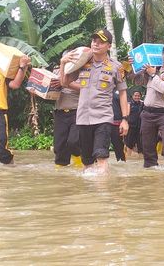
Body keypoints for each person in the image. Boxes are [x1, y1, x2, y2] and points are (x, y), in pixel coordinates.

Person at [61, 29, 129, 173]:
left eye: (100, 42)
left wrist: (124, 119)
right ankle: (91, 194)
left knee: (101, 155)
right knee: (87, 162)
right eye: (94, 41)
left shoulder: (116, 67)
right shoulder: (82, 63)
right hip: (83, 118)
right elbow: (65, 82)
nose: (96, 44)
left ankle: (103, 193)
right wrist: (63, 64)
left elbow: (123, 93)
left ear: (108, 46)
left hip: (103, 117)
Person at [129, 44, 164, 168]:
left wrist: (153, 75)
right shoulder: (153, 68)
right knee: (147, 145)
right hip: (147, 113)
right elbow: (136, 80)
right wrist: (133, 66)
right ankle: (150, 171)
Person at [51, 52, 81, 167]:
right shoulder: (56, 71)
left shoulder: (81, 71)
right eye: (66, 58)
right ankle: (61, 171)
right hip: (60, 112)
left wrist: (65, 83)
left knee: (73, 141)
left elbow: (84, 88)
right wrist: (36, 89)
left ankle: (80, 161)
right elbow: (48, 90)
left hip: (77, 111)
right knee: (59, 145)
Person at [125, 90, 143, 157]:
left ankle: (141, 160)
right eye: (135, 95)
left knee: (141, 145)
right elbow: (126, 115)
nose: (137, 97)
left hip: (140, 127)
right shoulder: (129, 104)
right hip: (131, 127)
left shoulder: (142, 104)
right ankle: (128, 159)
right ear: (132, 96)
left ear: (140, 96)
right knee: (129, 144)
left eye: (138, 96)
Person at [110, 90, 127, 162]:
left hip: (117, 123)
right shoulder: (101, 89)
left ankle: (121, 162)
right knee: (100, 144)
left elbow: (127, 105)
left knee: (118, 145)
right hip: (102, 122)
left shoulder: (121, 91)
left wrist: (125, 120)